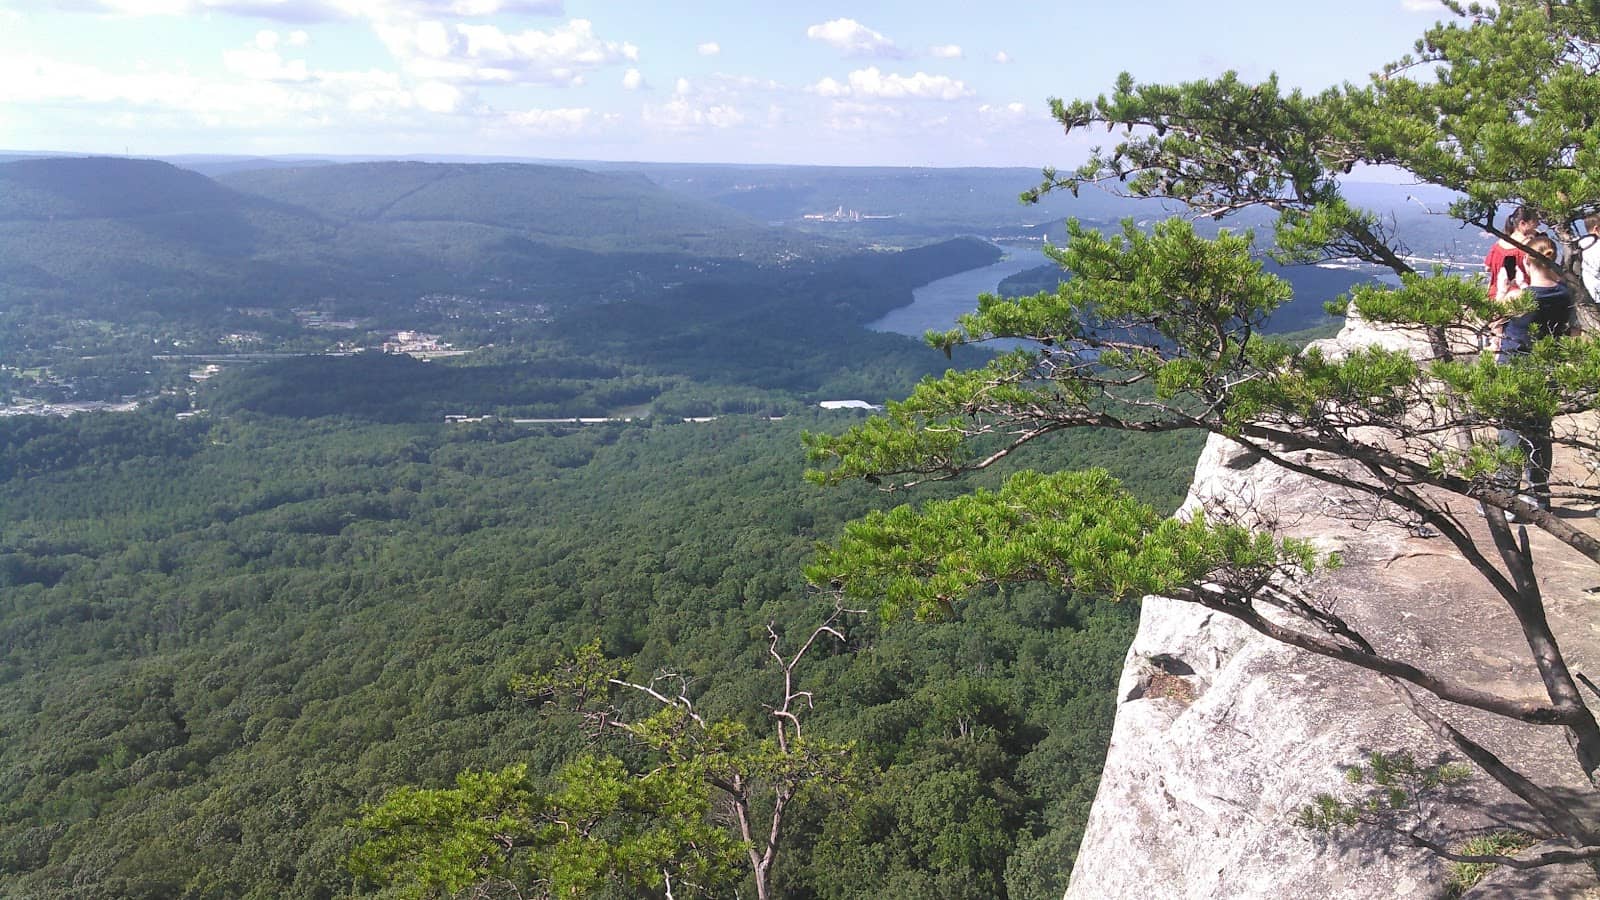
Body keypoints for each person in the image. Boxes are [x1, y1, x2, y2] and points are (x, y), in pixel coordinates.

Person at [1494, 233, 1572, 513]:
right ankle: (1540, 495)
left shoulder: (1519, 298)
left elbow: (1493, 319)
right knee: (1540, 433)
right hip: (1547, 370)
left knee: (1510, 431)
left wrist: (1505, 287)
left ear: (1526, 260)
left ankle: (1505, 496)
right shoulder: (1565, 295)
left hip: (1515, 369)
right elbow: (1571, 331)